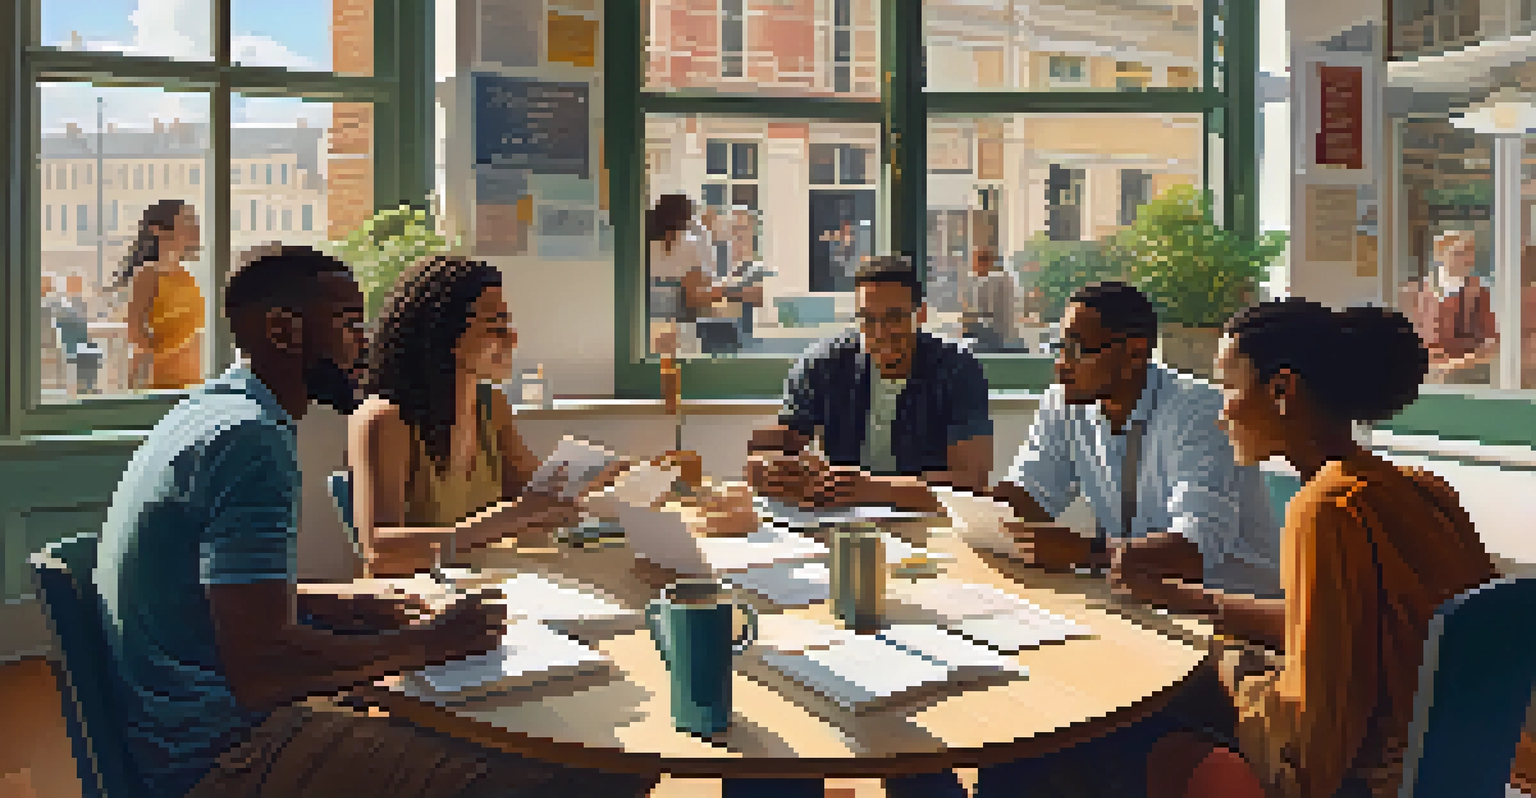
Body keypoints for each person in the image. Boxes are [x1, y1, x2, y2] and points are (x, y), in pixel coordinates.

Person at [92, 245, 655, 798]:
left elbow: (215, 597)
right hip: (224, 756)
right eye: (347, 325)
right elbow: (263, 668)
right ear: (283, 331)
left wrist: (337, 603)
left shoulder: (214, 410)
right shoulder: (253, 443)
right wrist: (429, 642)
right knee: (600, 772)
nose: (365, 343)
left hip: (181, 729)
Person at [1123, 298, 1498, 798]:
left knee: (1134, 735)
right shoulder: (1421, 489)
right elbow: (1334, 628)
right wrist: (1182, 599)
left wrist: (1234, 676)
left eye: (1229, 386)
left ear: (1282, 390)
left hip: (1367, 785)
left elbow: (1311, 759)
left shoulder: (1325, 509)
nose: (1220, 414)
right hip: (1461, 771)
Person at [992, 281, 1280, 597]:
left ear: (1134, 353)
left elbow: (1194, 549)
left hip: (1234, 612)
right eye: (1059, 348)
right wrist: (967, 505)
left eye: (1077, 350)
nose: (1061, 365)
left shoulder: (1198, 411)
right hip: (1144, 598)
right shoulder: (1065, 403)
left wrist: (1086, 552)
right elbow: (1028, 496)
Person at [349, 255, 592, 578]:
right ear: (444, 336)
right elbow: (380, 552)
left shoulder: (492, 408)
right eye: (496, 326)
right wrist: (510, 518)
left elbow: (536, 497)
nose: (512, 339)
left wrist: (602, 481)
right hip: (415, 606)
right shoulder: (384, 420)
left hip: (486, 590)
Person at [746, 255, 994, 513]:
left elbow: (971, 483)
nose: (880, 332)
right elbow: (784, 441)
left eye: (894, 318)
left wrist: (874, 489)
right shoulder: (824, 364)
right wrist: (769, 467)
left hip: (928, 520)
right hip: (842, 521)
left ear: (920, 315)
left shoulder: (958, 369)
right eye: (868, 319)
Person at [119, 199, 206, 389]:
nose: (196, 228)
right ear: (159, 230)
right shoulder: (148, 274)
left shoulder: (187, 276)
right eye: (188, 221)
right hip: (160, 381)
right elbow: (135, 332)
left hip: (193, 378)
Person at [1399, 230, 1497, 385]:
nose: (1467, 260)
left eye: (1470, 253)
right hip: (1424, 378)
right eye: (1459, 253)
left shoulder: (1480, 292)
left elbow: (1493, 343)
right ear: (1440, 256)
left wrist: (1457, 364)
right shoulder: (1418, 291)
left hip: (1467, 379)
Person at [647, 193, 716, 358]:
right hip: (681, 325)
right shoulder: (691, 245)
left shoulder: (647, 247)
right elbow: (698, 291)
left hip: (650, 324)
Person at [962, 246, 1017, 353]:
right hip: (1003, 341)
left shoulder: (992, 282)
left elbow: (976, 317)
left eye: (983, 259)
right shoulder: (1001, 280)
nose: (980, 264)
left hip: (995, 342)